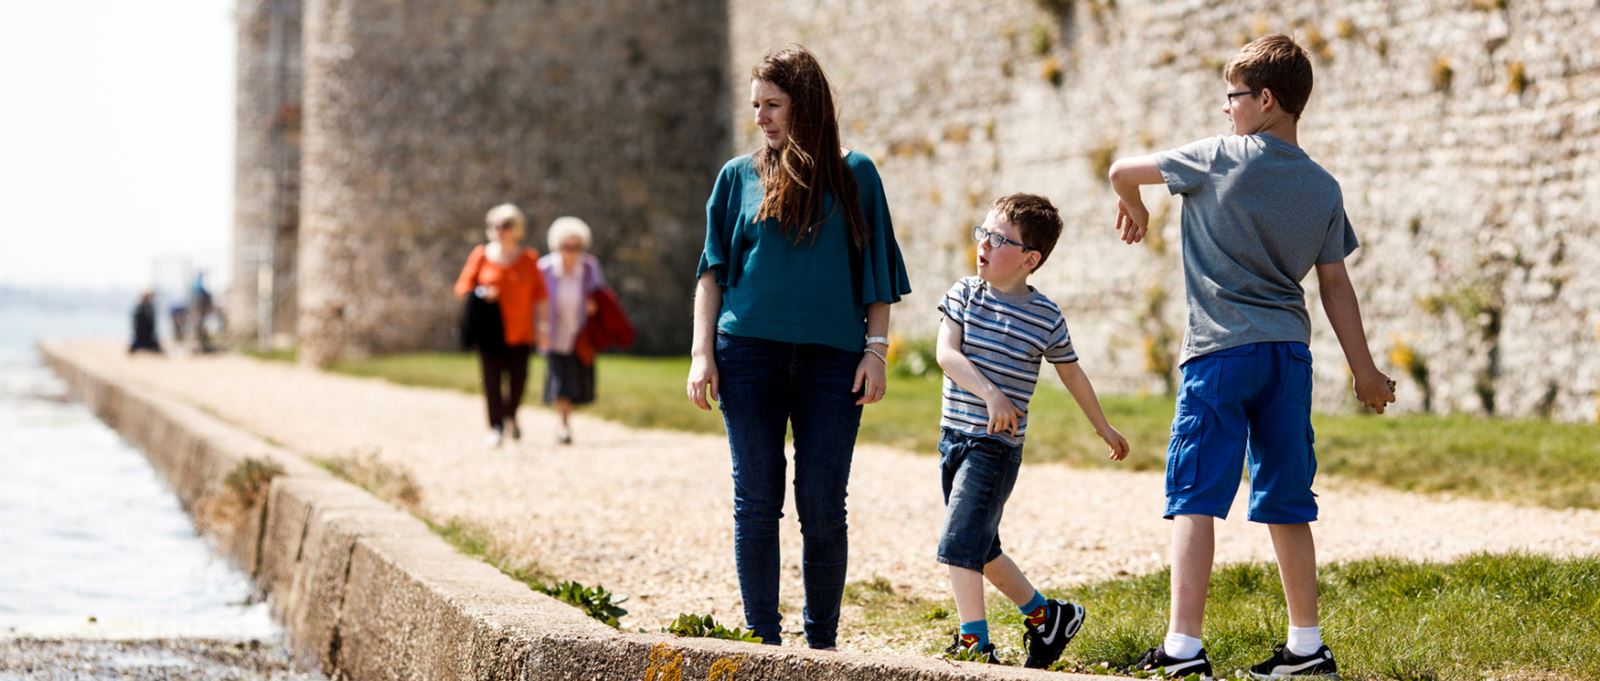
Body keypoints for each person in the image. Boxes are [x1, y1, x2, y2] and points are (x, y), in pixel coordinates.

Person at [1107, 34, 1396, 679]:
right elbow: (1335, 285)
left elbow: (1122, 170)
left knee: (1195, 497)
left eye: (1232, 97)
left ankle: (1183, 650)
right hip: (1288, 356)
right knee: (1288, 499)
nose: (1225, 109)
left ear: (1265, 100)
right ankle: (1306, 646)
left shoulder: (1218, 157)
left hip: (1218, 355)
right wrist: (1365, 371)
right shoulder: (1324, 187)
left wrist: (1135, 207)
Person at [685, 44, 912, 650]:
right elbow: (712, 272)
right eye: (756, 104)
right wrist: (700, 353)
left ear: (804, 104)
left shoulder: (855, 172)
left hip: (832, 362)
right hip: (746, 354)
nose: (761, 116)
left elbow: (879, 275)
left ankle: (822, 645)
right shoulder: (735, 176)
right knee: (756, 500)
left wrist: (877, 350)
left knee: (821, 504)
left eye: (774, 104)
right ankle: (763, 642)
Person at [934, 194, 1130, 667]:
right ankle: (1047, 617)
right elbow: (947, 355)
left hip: (995, 449)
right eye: (982, 232)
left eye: (998, 239)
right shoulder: (964, 293)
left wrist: (1103, 426)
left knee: (960, 545)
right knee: (981, 547)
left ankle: (973, 643)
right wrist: (991, 393)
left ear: (1030, 259)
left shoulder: (1045, 317)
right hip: (953, 440)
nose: (983, 243)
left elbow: (1072, 374)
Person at [455, 203, 548, 448]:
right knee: (492, 382)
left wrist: (543, 328)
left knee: (518, 382)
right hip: (490, 332)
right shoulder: (481, 255)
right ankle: (496, 426)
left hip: (521, 332)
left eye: (505, 225)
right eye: (495, 225)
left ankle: (511, 415)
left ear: (517, 229)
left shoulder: (529, 259)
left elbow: (540, 296)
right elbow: (463, 287)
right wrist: (482, 292)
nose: (500, 230)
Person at [537, 216, 605, 445]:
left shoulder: (589, 267)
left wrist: (593, 305)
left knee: (575, 379)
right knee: (559, 379)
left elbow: (599, 293)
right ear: (556, 245)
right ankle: (562, 424)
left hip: (579, 332)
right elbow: (536, 300)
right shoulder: (545, 268)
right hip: (553, 332)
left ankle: (566, 419)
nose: (572, 251)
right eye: (567, 246)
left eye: (577, 247)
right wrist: (540, 328)